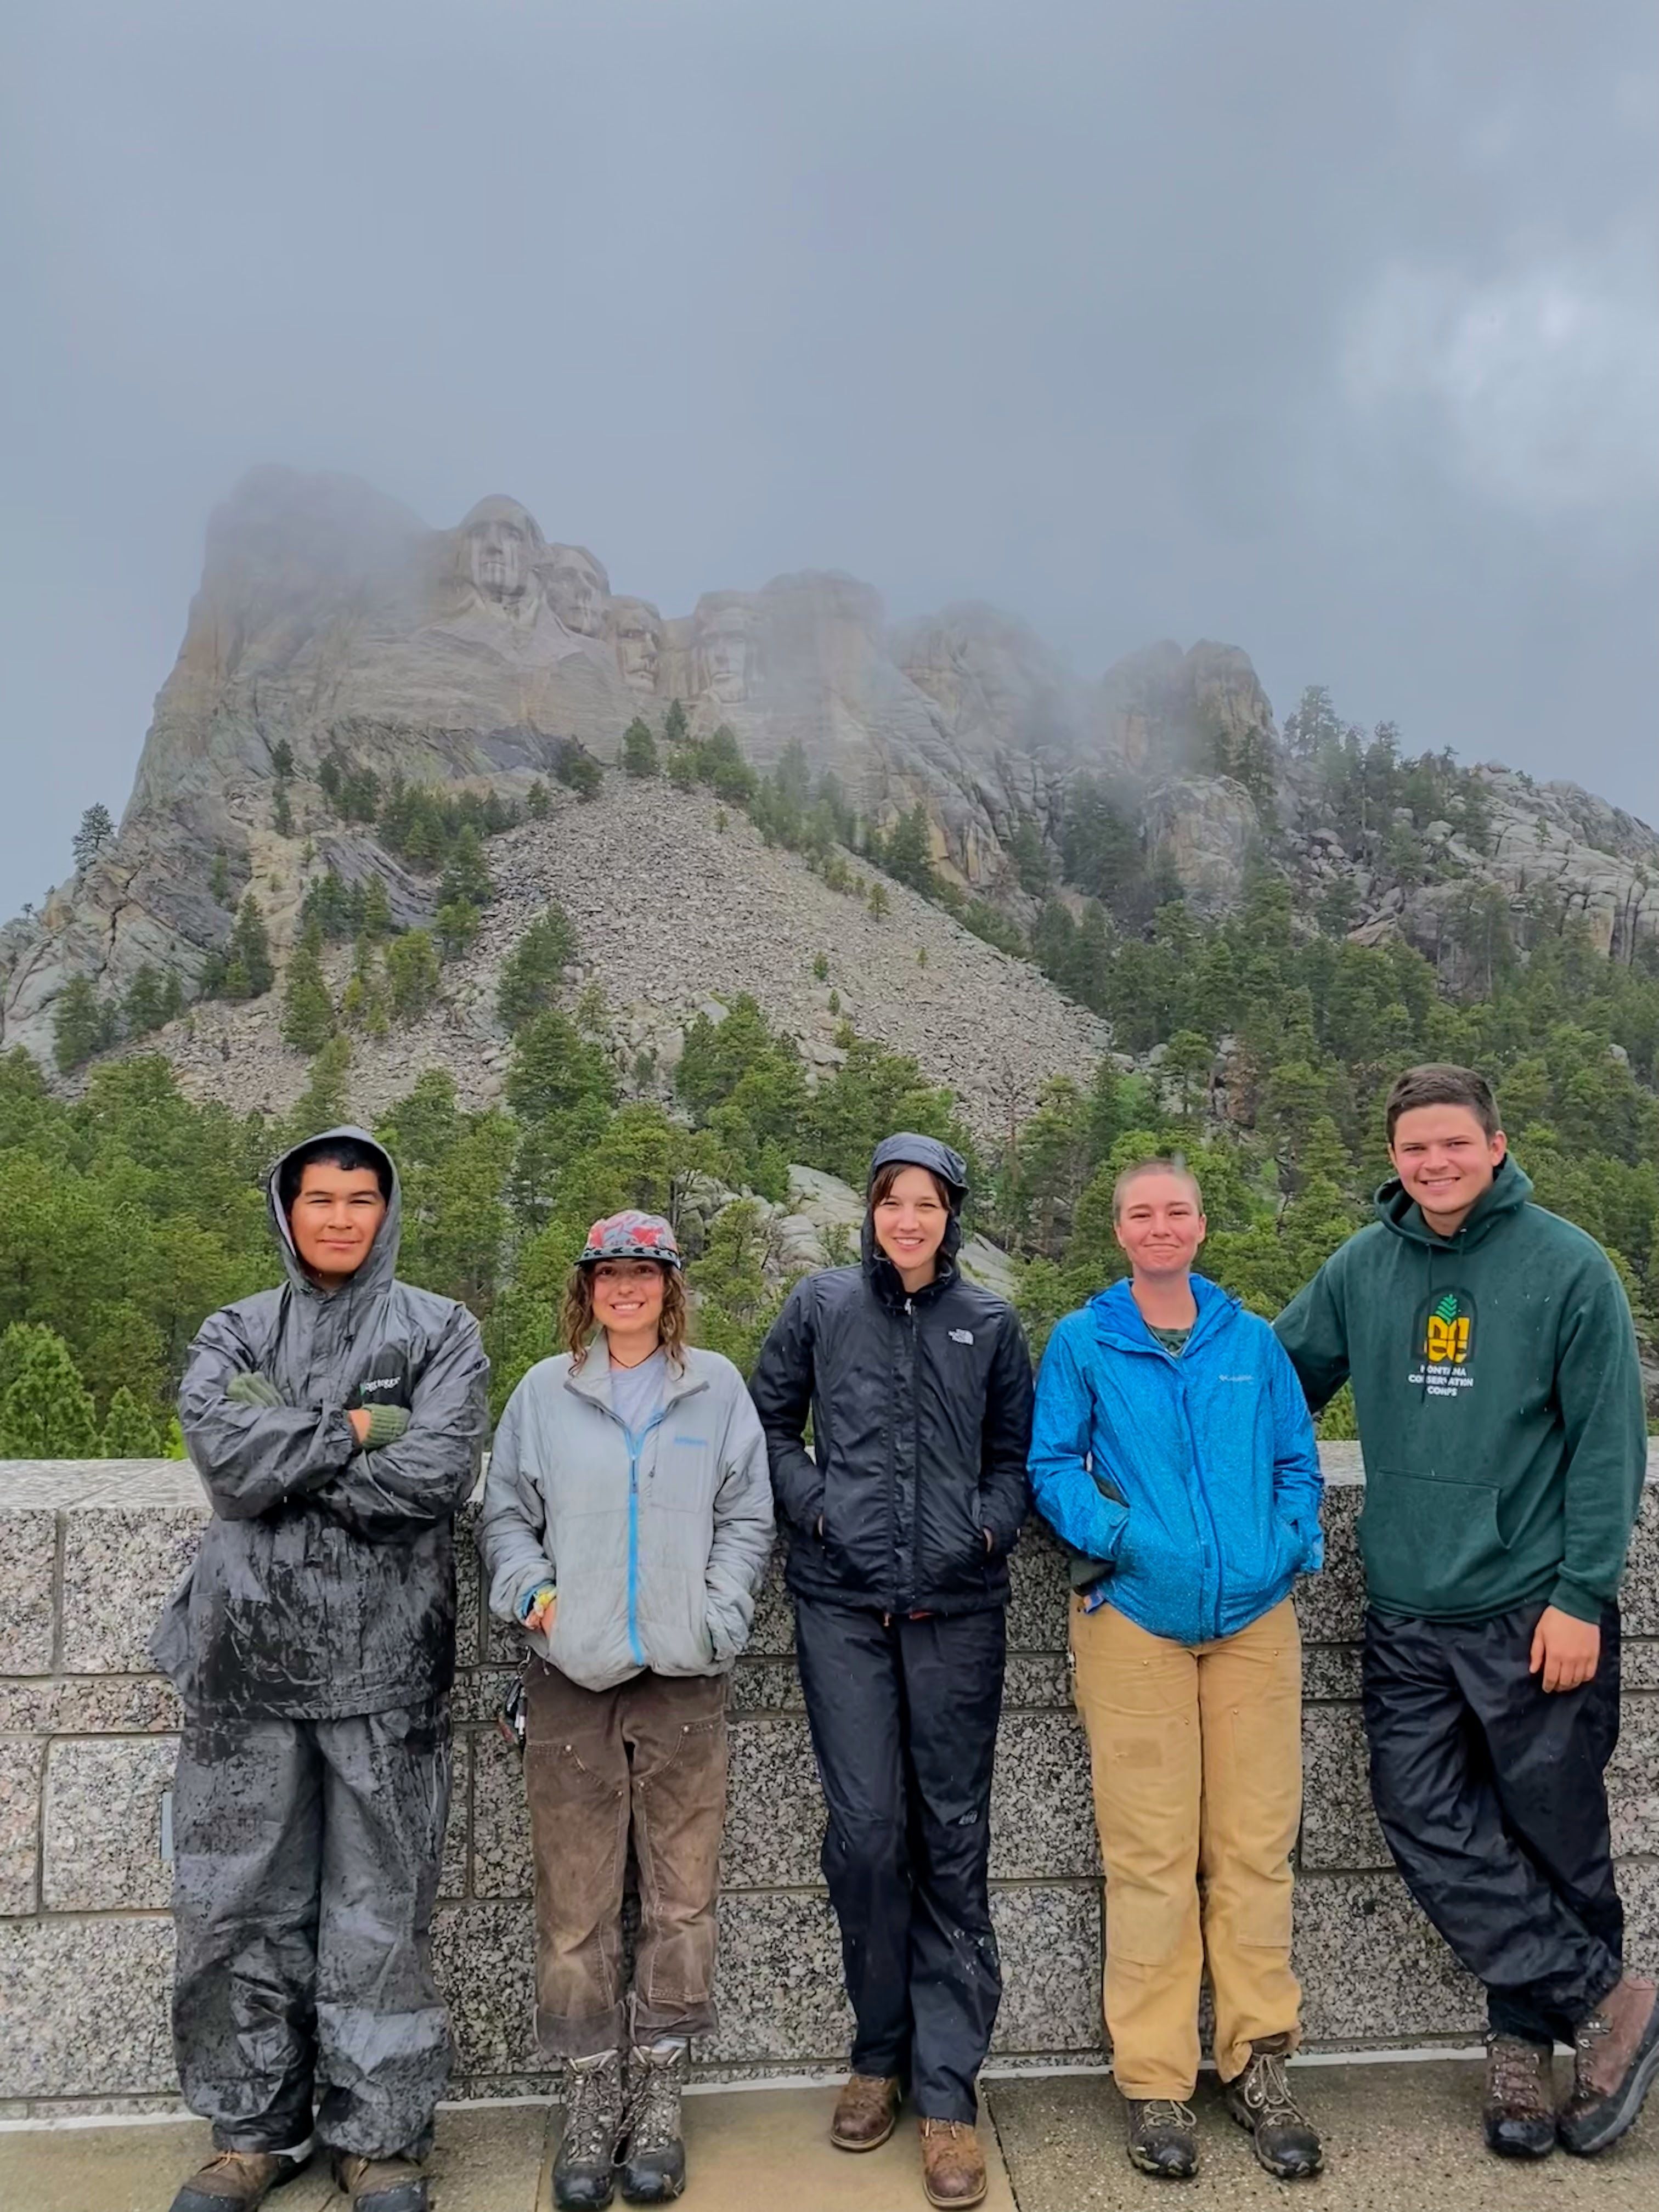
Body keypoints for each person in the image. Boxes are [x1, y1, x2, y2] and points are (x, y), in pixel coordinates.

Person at [1275, 1064, 1654, 2160]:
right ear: (1393, 1158)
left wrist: (1583, 1594)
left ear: (1495, 1144)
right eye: (1413, 1148)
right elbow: (1270, 1380)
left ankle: (1534, 2059)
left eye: (1452, 1144)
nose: (1433, 1164)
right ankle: (1608, 1997)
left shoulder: (1570, 1268)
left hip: (1533, 1608)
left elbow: (1608, 1447)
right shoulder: (1364, 1267)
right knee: (1425, 1818)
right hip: (1404, 1610)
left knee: (1560, 1840)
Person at [154, 1128, 490, 2212]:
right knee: (234, 1904)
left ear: (387, 1212)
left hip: (387, 1668)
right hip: (243, 1669)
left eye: (360, 1199)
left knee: (379, 1909)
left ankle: (377, 2135)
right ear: (286, 1209)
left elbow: (432, 1477)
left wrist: (288, 1452)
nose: (340, 1217)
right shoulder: (235, 1329)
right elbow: (228, 1466)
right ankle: (252, 2131)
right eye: (319, 1199)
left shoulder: (443, 1330)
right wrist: (353, 1431)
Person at [749, 1135, 1033, 2212]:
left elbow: (1015, 1456)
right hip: (842, 1609)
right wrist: (817, 1504)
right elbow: (768, 1422)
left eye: (927, 1204)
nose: (907, 1220)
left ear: (951, 1215)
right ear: (868, 1212)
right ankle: (878, 2055)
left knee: (953, 1836)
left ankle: (949, 2090)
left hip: (958, 1610)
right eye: (890, 1202)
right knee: (868, 1835)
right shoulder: (821, 1307)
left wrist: (988, 1529)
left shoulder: (990, 1323)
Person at [1028, 1160, 1325, 2182]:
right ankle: (1157, 2081)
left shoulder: (1251, 1343)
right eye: (1141, 1213)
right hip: (1135, 1619)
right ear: (1119, 1231)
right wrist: (1122, 1539)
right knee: (1149, 1854)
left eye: (1178, 1211)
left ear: (1202, 1224)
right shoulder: (1083, 1341)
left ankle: (1259, 2063)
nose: (1161, 1227)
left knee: (1253, 1846)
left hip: (1255, 1618)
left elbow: (1298, 1459)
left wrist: (1288, 1544)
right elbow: (1051, 1466)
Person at [477, 1211, 773, 2210]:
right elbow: (506, 1513)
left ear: (671, 1286)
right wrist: (533, 1597)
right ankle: (589, 2094)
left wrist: (721, 1612)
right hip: (572, 1676)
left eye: (644, 1273)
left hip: (687, 1675)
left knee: (682, 1897)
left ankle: (659, 2095)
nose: (627, 1289)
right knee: (576, 1905)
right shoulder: (544, 1392)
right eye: (610, 1274)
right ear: (587, 1289)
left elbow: (746, 1513)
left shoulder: (716, 1388)